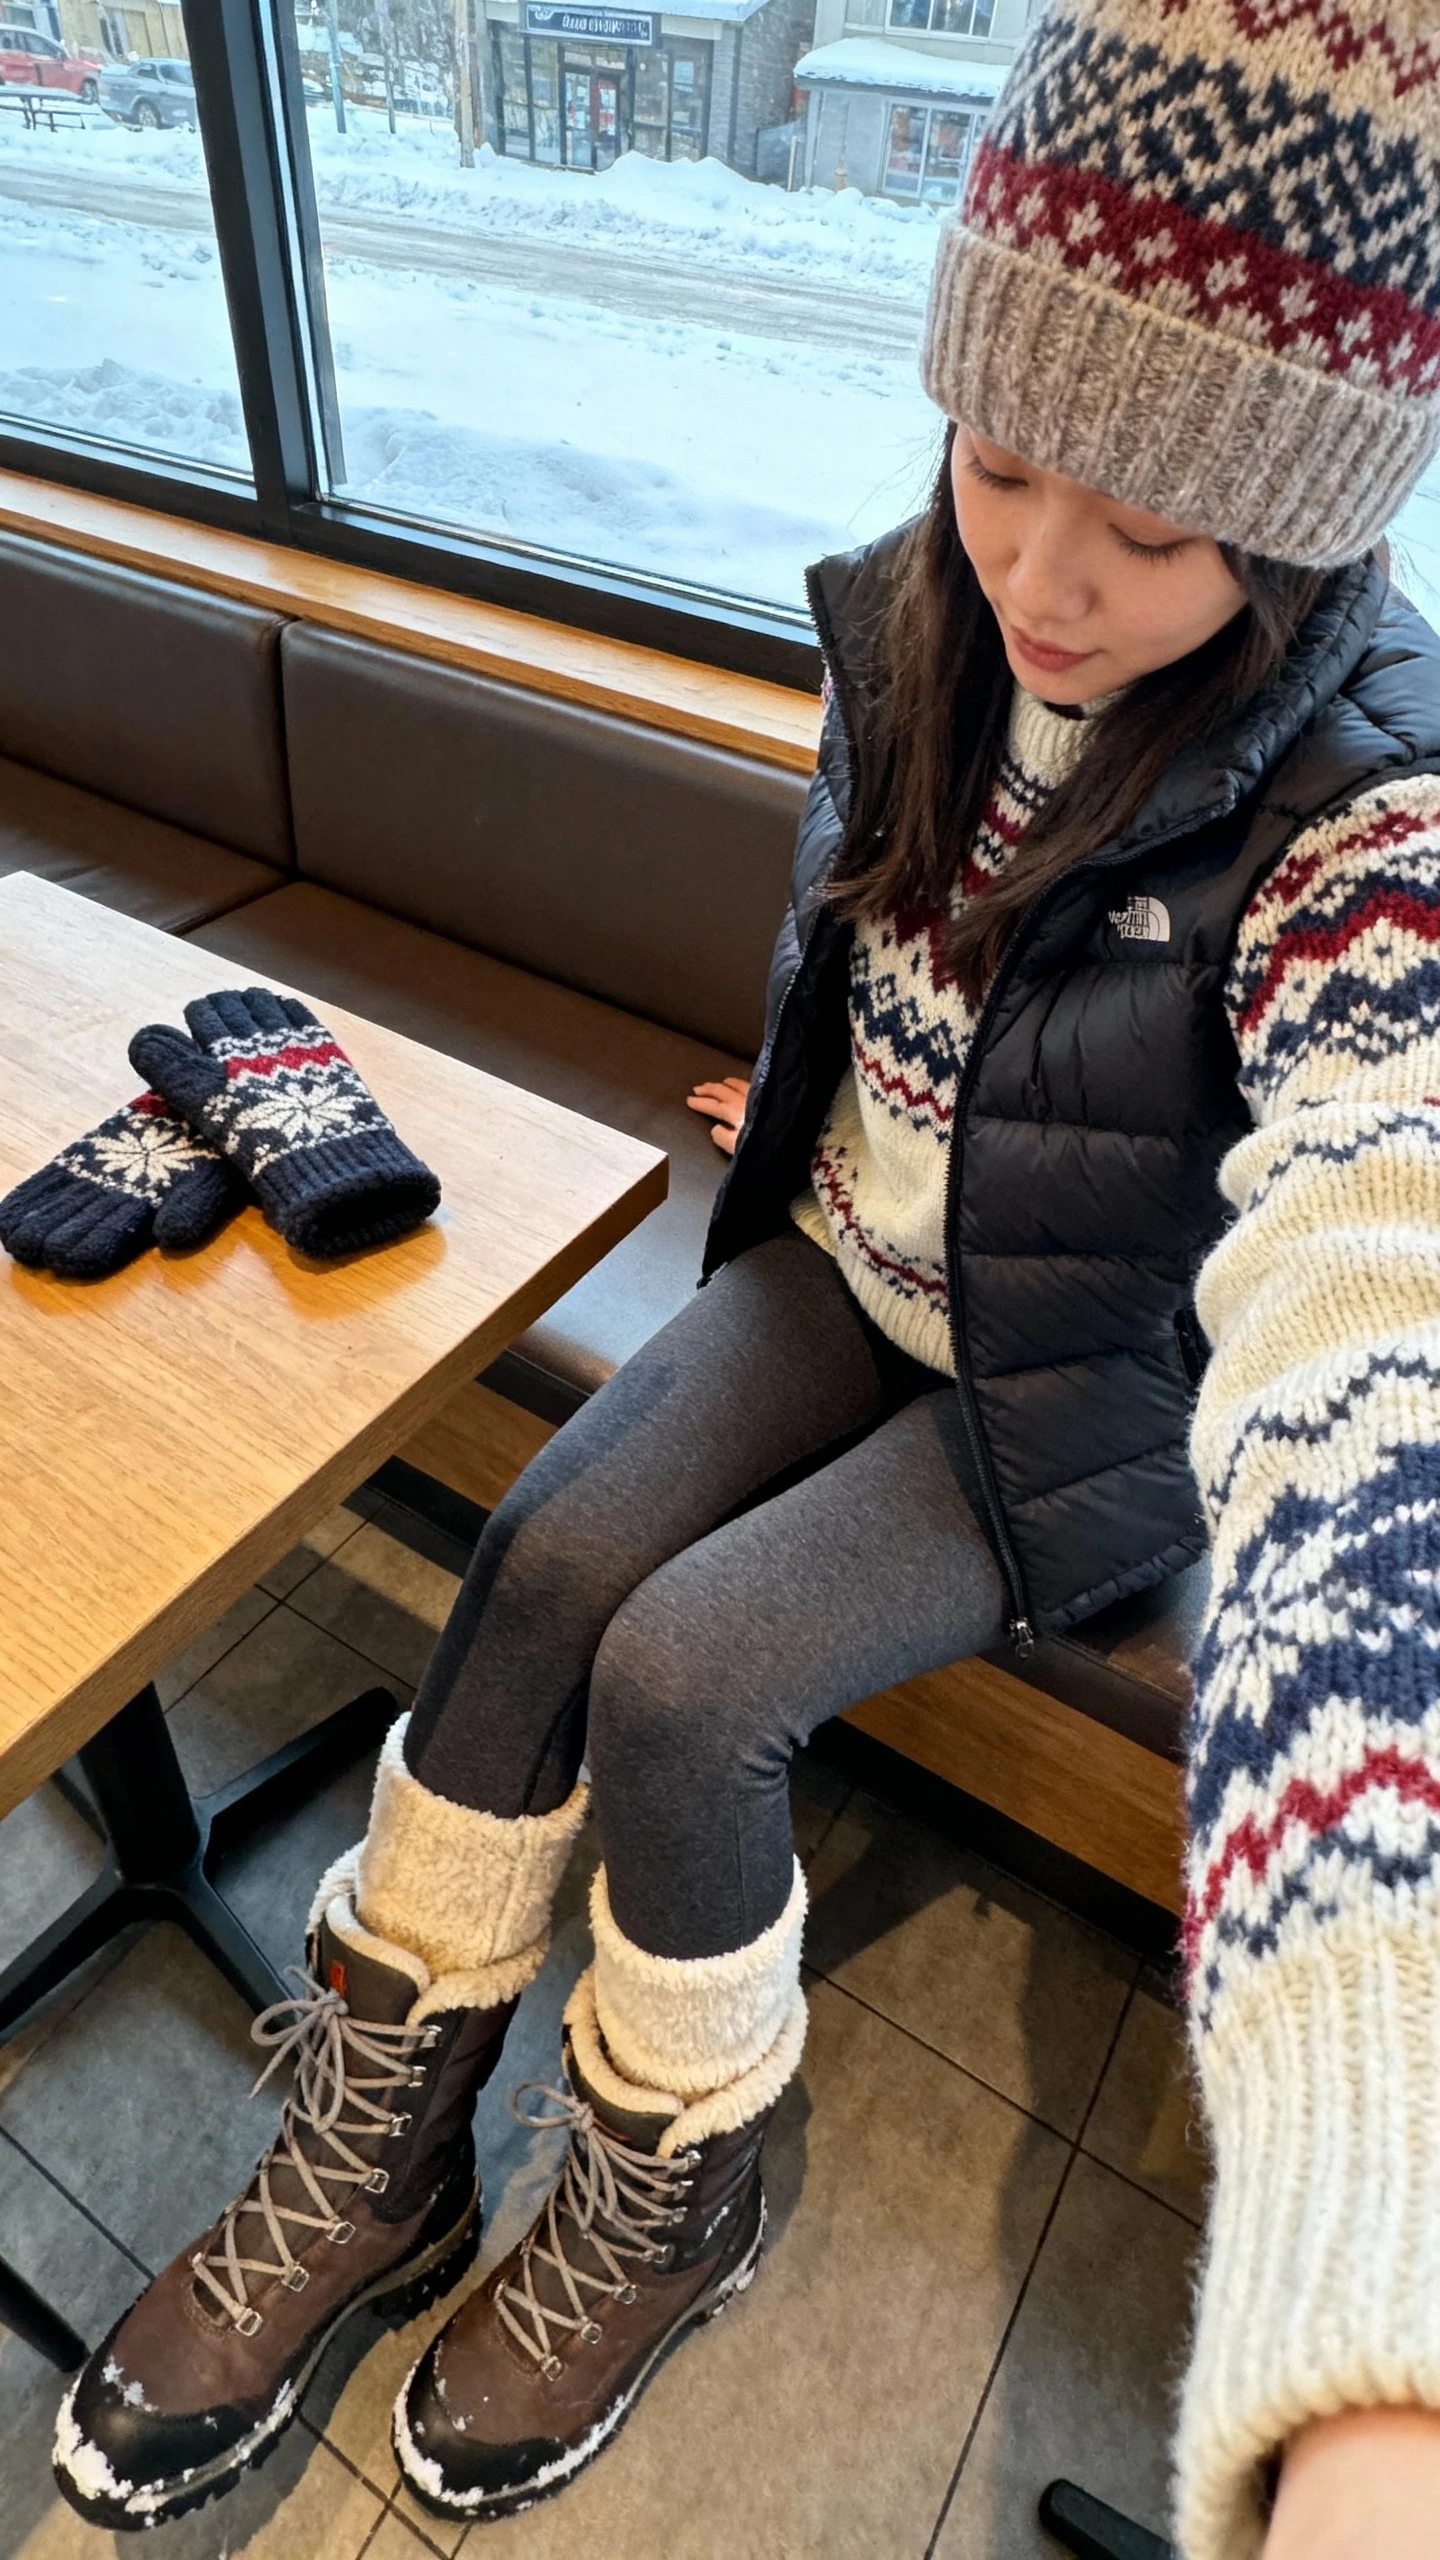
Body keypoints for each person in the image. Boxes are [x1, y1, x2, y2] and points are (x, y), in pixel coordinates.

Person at [51, 3, 1440, 2552]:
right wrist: (823, 1078)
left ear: (1304, 522)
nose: (1045, 574)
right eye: (999, 458)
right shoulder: (925, 615)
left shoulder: (1374, 809)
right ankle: (383, 2143)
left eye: (1149, 528)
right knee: (543, 1553)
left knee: (689, 1675)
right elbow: (886, 924)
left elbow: (1392, 1200)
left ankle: (677, 2179)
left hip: (1069, 1389)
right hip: (852, 1248)